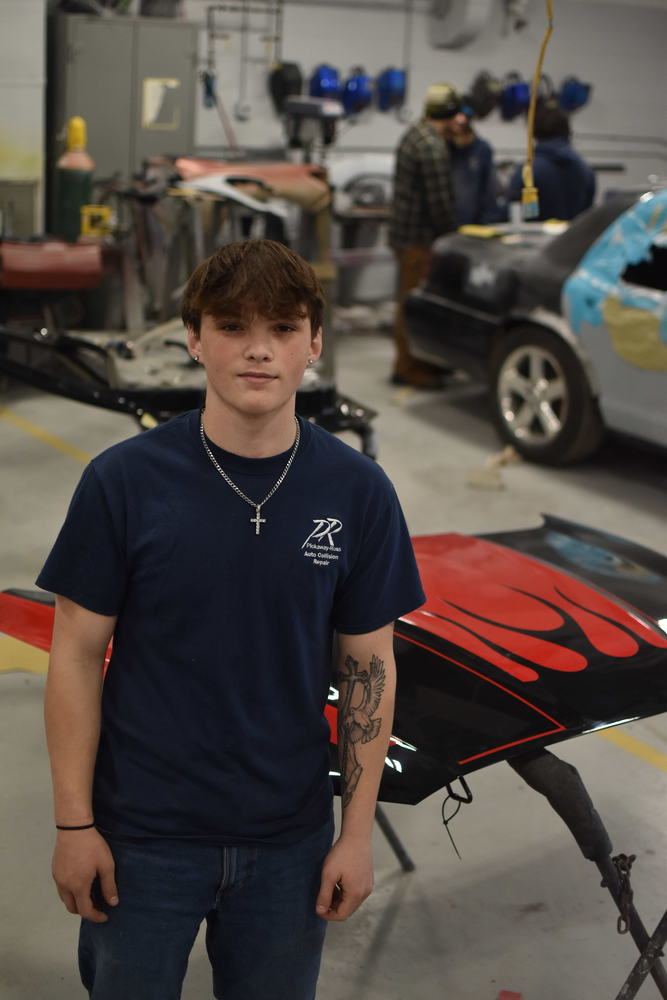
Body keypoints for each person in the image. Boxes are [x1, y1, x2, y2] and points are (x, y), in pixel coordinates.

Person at [39, 239, 425, 1000]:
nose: (258, 350)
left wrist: (354, 833)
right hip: (142, 835)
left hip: (289, 839)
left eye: (282, 329)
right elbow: (77, 656)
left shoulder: (357, 491)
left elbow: (367, 669)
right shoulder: (124, 482)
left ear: (313, 342)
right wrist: (74, 826)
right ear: (192, 337)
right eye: (231, 327)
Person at [389, 82, 466, 388]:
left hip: (406, 237)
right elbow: (440, 204)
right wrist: (454, 238)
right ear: (450, 114)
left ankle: (421, 361)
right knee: (411, 304)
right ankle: (406, 367)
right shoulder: (432, 148)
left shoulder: (414, 133)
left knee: (412, 302)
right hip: (418, 242)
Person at [507, 103, 596, 221]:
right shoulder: (586, 170)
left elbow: (515, 215)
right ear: (567, 130)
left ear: (534, 132)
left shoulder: (528, 171)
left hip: (534, 238)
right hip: (573, 238)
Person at [448, 108, 502, 226]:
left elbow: (489, 189)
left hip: (475, 224)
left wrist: (489, 220)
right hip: (448, 223)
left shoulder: (482, 150)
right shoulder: (445, 148)